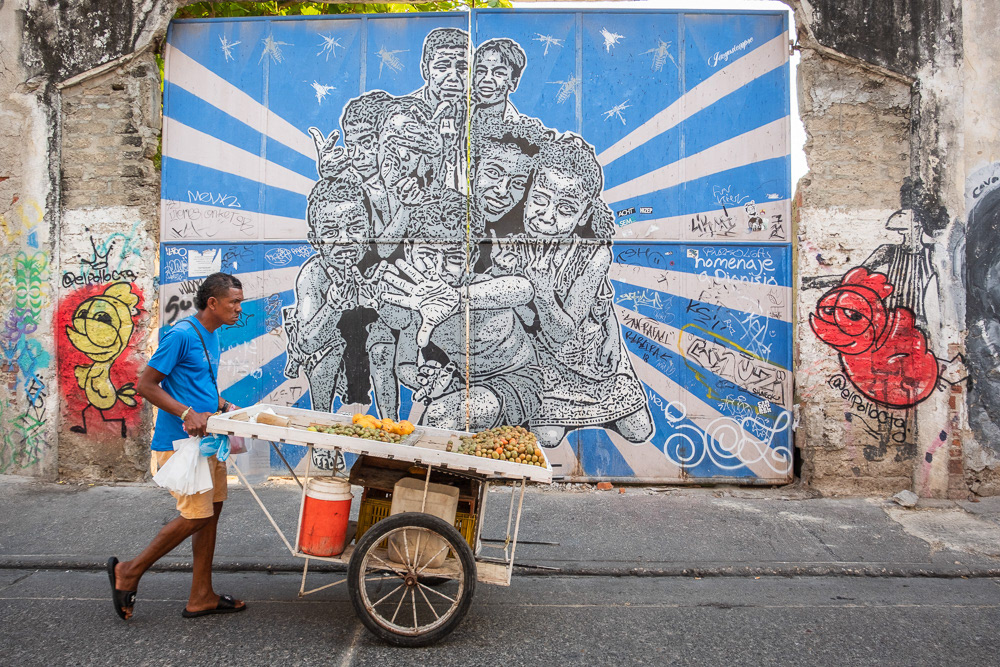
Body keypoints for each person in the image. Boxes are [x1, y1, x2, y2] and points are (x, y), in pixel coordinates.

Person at [107, 272, 246, 621]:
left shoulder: (212, 334)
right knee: (196, 515)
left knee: (211, 514)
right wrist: (186, 413)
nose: (239, 308)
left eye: (240, 302)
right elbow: (146, 385)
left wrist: (223, 405)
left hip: (208, 442)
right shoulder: (181, 335)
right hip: (182, 444)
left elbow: (195, 384)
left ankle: (201, 596)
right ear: (212, 303)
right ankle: (129, 571)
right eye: (234, 302)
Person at [516, 133, 653, 449]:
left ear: (584, 214)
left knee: (639, 431)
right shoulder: (509, 244)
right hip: (545, 362)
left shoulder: (594, 254)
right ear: (528, 193)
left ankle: (601, 409)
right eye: (540, 199)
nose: (547, 216)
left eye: (565, 208)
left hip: (594, 355)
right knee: (548, 438)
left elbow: (575, 322)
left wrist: (613, 338)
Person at [472, 38, 527, 121]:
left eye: (499, 73)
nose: (487, 79)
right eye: (481, 71)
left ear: (513, 82)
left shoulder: (522, 126)